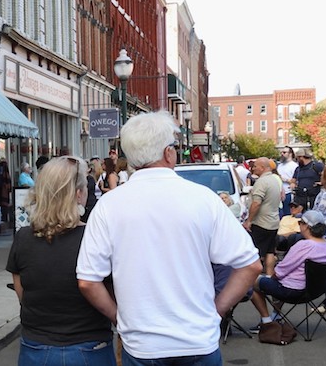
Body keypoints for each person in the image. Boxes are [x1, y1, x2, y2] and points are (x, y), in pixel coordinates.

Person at [77, 112, 261, 365]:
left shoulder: (108, 205)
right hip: (197, 340)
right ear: (168, 153)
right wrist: (216, 310)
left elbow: (88, 281)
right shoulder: (203, 199)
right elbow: (251, 265)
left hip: (142, 345)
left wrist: (120, 319)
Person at [7, 156, 115, 365]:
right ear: (78, 194)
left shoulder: (23, 238)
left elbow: (23, 295)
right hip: (90, 345)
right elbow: (110, 293)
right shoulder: (95, 238)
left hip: (36, 347)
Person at [250, 210, 326, 331]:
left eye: (300, 222)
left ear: (307, 226)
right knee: (278, 281)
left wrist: (271, 276)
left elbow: (281, 271)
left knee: (252, 282)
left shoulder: (304, 245)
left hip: (294, 291)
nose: (299, 225)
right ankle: (276, 316)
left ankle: (267, 321)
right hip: (316, 291)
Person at [243, 157, 281, 276]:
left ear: (263, 168)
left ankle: (255, 280)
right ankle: (269, 276)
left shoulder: (262, 182)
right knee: (270, 251)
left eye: (255, 166)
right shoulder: (275, 180)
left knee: (257, 254)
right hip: (273, 222)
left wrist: (249, 220)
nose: (253, 168)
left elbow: (256, 203)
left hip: (261, 223)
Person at [276, 146, 298, 216]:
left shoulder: (294, 166)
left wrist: (284, 179)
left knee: (287, 214)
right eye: (281, 152)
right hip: (278, 193)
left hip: (288, 193)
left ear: (290, 154)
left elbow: (296, 181)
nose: (282, 154)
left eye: (284, 152)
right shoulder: (280, 165)